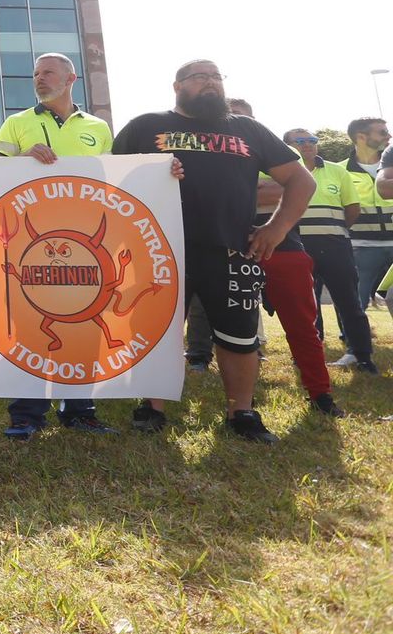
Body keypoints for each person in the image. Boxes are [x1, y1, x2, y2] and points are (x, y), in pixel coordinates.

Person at [112, 60, 313, 443]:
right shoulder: (145, 125)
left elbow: (300, 178)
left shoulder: (247, 129)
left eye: (216, 77)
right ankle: (151, 406)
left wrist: (278, 227)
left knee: (238, 335)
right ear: (177, 86)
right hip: (158, 249)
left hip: (232, 249)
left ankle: (242, 412)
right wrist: (151, 173)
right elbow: (111, 179)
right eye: (199, 77)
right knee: (156, 330)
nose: (210, 83)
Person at [0, 54, 117, 440]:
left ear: (71, 77)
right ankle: (26, 414)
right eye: (35, 74)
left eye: (47, 72)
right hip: (35, 242)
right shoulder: (16, 123)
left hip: (87, 241)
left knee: (86, 319)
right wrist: (22, 162)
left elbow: (114, 180)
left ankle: (80, 410)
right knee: (32, 325)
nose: (39, 79)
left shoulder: (99, 128)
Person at [227, 101, 342, 418]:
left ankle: (321, 394)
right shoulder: (208, 152)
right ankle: (239, 406)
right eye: (229, 114)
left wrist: (234, 191)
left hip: (285, 249)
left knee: (303, 328)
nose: (236, 121)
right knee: (231, 331)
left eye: (243, 116)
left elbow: (293, 187)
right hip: (226, 251)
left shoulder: (268, 147)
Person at [283, 128, 377, 372]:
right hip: (297, 247)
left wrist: (333, 230)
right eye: (300, 141)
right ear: (287, 146)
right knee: (304, 306)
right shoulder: (280, 172)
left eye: (312, 140)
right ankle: (308, 356)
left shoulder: (337, 170)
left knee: (349, 302)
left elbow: (352, 207)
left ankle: (362, 355)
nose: (308, 145)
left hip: (336, 246)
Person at [339, 117, 393, 326]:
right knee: (355, 300)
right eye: (382, 132)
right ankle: (354, 347)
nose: (388, 136)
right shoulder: (339, 170)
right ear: (361, 137)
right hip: (361, 246)